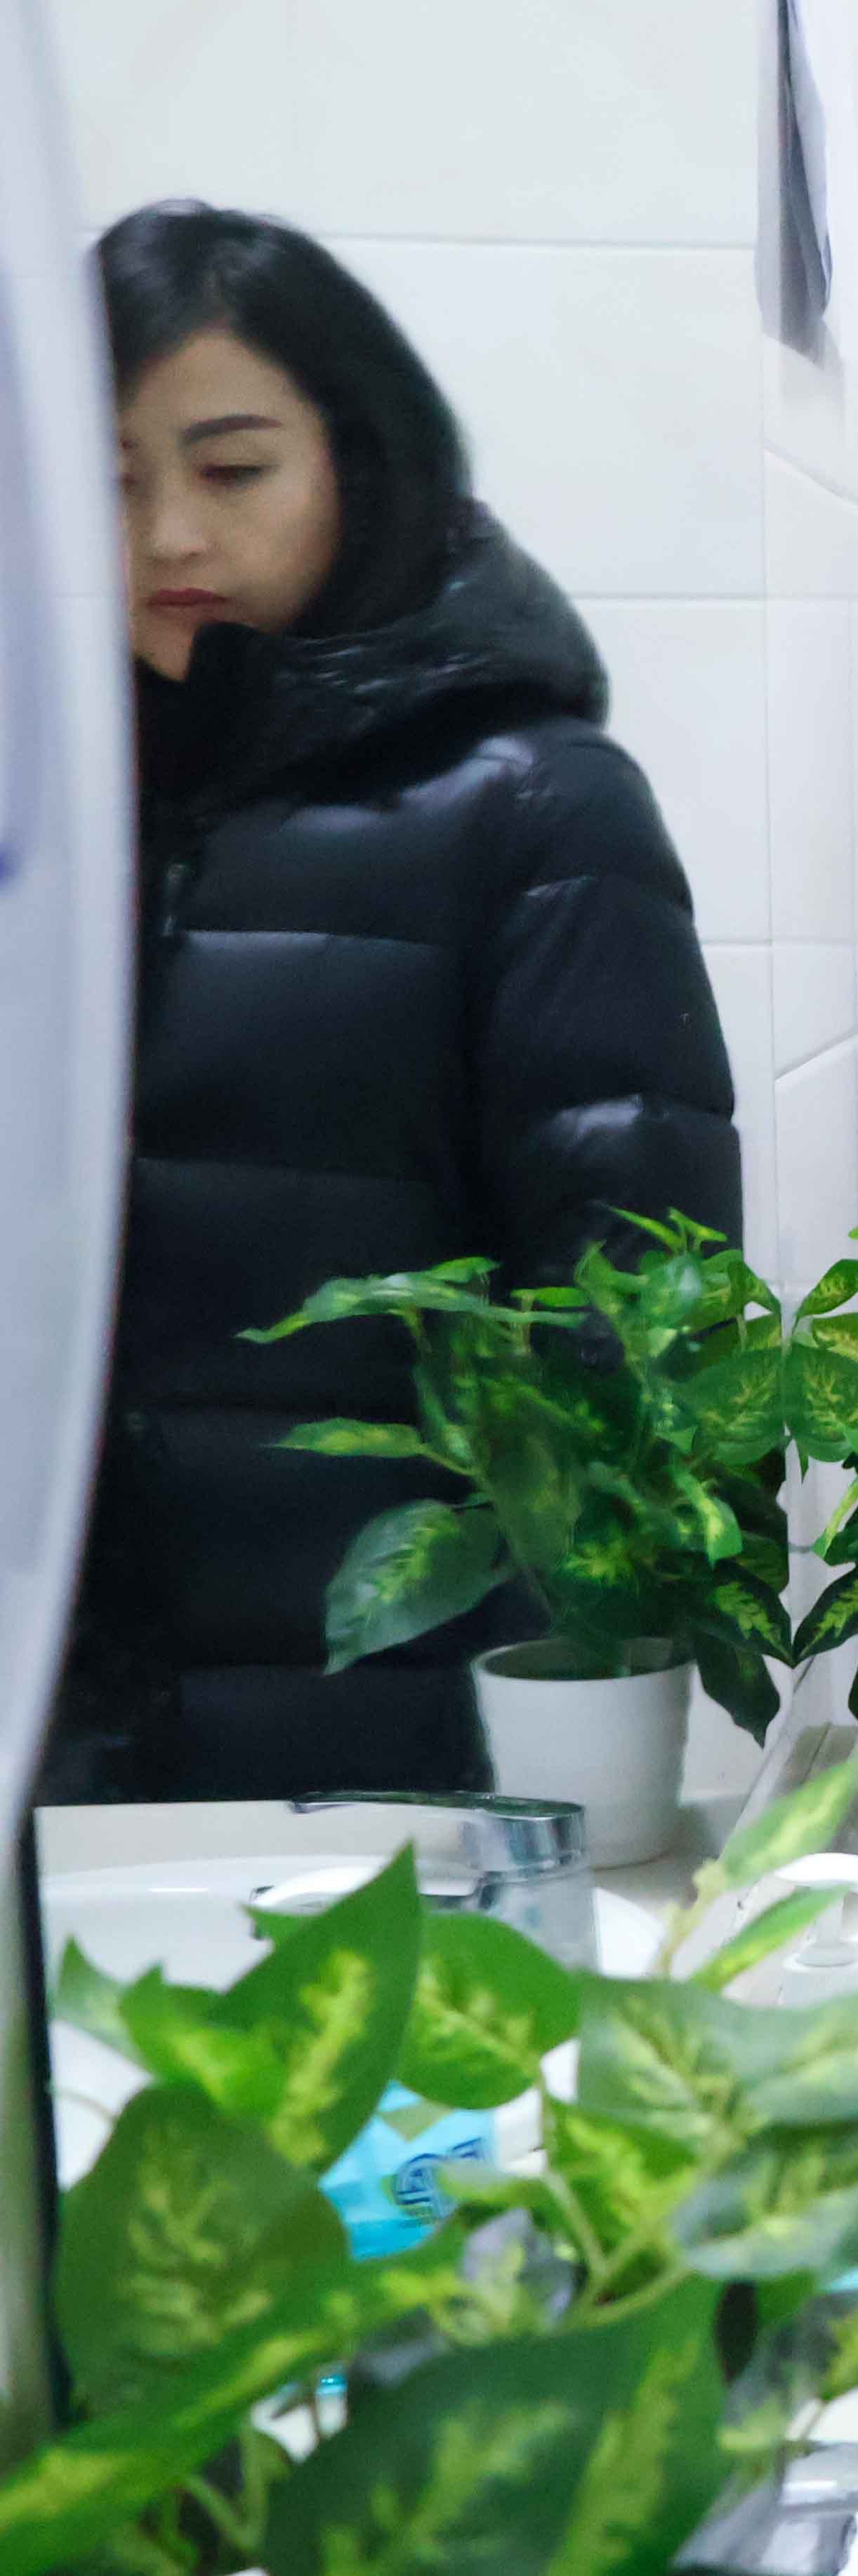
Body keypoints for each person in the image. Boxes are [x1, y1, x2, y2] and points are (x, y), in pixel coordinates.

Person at [53, 204, 739, 1806]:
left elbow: (625, 1322)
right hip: (64, 1739)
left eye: (233, 470)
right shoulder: (51, 811)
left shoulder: (533, 803)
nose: (168, 536)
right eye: (107, 480)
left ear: (357, 463)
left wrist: (554, 1732)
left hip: (404, 1736)